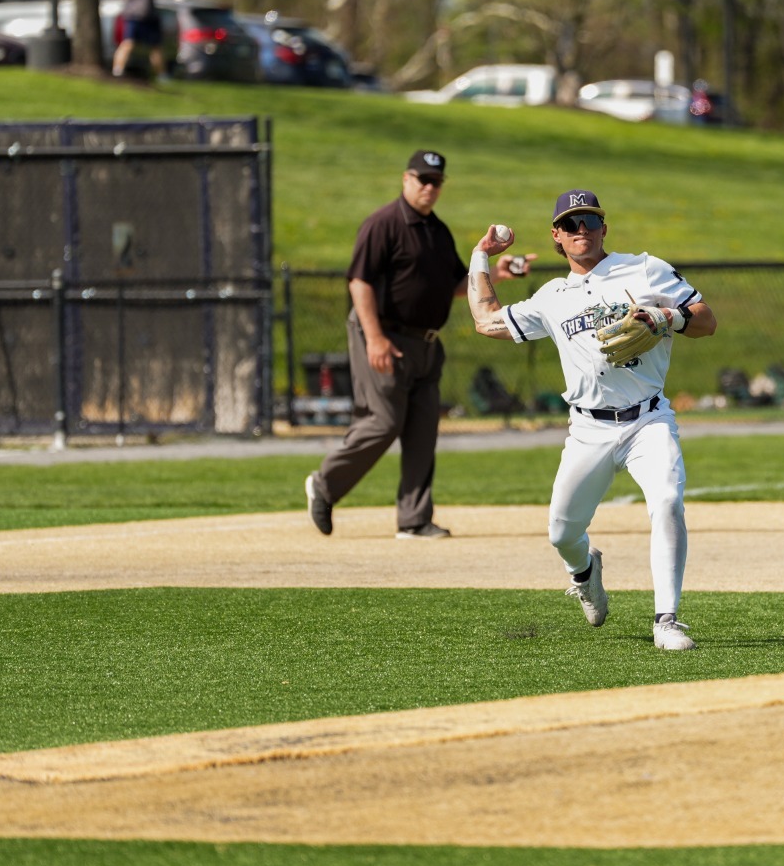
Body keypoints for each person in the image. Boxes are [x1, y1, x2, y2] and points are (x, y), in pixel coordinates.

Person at [463, 190, 717, 651]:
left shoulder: (644, 268)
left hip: (648, 420)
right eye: (571, 223)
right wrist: (481, 256)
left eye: (590, 221)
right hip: (587, 428)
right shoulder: (552, 296)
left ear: (604, 228)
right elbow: (486, 320)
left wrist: (666, 317)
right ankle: (585, 572)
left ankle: (668, 620)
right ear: (557, 236)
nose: (582, 230)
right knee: (561, 532)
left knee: (667, 502)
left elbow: (706, 319)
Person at [305, 150, 467, 540]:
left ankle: (414, 519)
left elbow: (457, 286)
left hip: (425, 344)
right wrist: (375, 337)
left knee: (423, 429)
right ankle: (324, 485)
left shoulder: (437, 232)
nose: (429, 187)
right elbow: (359, 282)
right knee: (383, 422)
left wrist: (495, 272)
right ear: (405, 179)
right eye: (422, 179)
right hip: (383, 335)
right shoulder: (384, 224)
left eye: (436, 181)